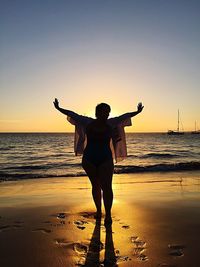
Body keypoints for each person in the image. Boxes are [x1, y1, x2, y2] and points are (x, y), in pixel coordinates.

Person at [53, 98, 144, 225]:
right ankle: (98, 211)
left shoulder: (111, 123)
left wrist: (137, 112)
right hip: (89, 159)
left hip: (105, 158)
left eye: (108, 112)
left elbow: (125, 116)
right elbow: (73, 114)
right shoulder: (87, 122)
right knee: (95, 185)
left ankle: (108, 215)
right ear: (97, 113)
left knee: (107, 187)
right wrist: (59, 108)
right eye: (104, 112)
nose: (107, 114)